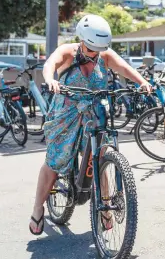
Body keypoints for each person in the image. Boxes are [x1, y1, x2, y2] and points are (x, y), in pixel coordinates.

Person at [28, 14, 152, 235]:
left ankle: (105, 208)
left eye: (99, 49)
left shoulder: (104, 55)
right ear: (82, 40)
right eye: (92, 48)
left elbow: (124, 68)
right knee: (55, 161)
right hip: (66, 112)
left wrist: (142, 82)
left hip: (93, 111)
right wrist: (51, 80)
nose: (96, 53)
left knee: (100, 156)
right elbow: (50, 64)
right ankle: (38, 208)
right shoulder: (68, 51)